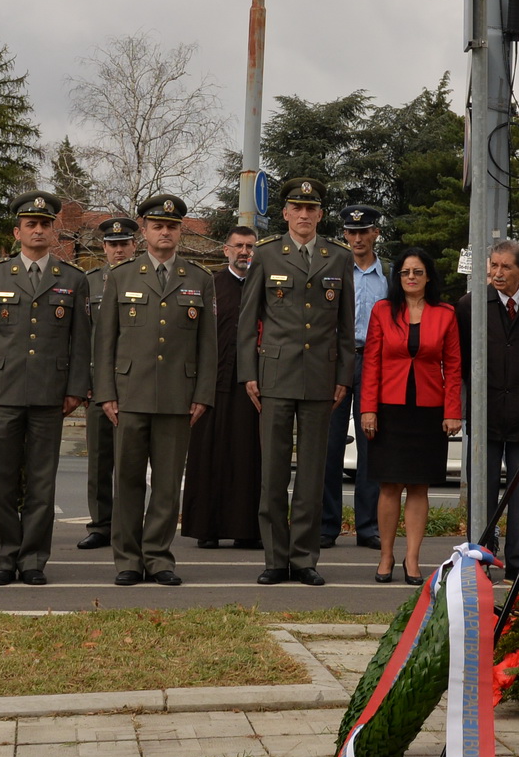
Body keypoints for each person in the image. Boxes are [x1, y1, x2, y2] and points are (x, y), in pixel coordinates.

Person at [89, 194, 215, 588]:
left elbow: (207, 345)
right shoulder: (121, 276)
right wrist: (105, 392)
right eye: (158, 226)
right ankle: (127, 559)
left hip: (178, 395)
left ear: (181, 231)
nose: (165, 232)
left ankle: (159, 557)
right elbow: (104, 342)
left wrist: (202, 394)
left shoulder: (199, 278)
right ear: (143, 231)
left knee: (165, 483)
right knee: (126, 480)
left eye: (172, 226)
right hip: (128, 394)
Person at [0, 191, 90, 588]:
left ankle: (34, 559)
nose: (38, 230)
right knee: (1, 481)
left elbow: (80, 341)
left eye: (45, 224)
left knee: (42, 482)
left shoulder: (72, 279)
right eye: (31, 224)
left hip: (50, 394)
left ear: (54, 231)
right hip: (2, 391)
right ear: (17, 231)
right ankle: (1, 559)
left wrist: (76, 389)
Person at [241, 180, 357, 587]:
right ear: (286, 213)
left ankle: (304, 557)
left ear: (321, 215)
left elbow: (346, 326)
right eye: (297, 207)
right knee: (273, 472)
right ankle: (275, 558)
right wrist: (249, 373)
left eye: (312, 208)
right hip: (273, 375)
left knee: (311, 474)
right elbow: (247, 320)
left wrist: (343, 376)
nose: (304, 215)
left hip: (320, 378)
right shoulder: (268, 253)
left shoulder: (338, 258)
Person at [358, 246, 461, 584]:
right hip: (389, 408)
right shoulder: (383, 311)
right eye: (405, 272)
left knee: (418, 487)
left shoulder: (445, 313)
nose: (411, 278)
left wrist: (452, 411)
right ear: (397, 277)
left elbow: (454, 366)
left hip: (429, 410)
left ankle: (412, 559)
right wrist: (368, 408)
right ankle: (386, 556)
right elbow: (371, 362)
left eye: (417, 272)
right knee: (389, 486)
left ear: (428, 276)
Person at [454, 239, 519, 558]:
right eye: (493, 266)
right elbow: (462, 363)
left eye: (505, 267)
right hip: (486, 416)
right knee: (481, 494)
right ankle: (478, 557)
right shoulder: (471, 305)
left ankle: (516, 561)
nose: (497, 273)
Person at [182, 222, 261, 550]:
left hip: (251, 385)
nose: (244, 252)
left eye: (250, 247)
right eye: (238, 246)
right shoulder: (210, 286)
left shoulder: (265, 285)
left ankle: (246, 529)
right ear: (226, 250)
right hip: (212, 383)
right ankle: (207, 528)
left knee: (248, 456)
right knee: (207, 455)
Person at [322, 203, 388, 549]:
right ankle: (327, 525)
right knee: (330, 446)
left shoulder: (388, 274)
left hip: (374, 363)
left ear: (376, 232)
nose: (357, 238)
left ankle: (368, 527)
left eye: (364, 232)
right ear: (344, 235)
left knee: (370, 446)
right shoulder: (333, 269)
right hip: (335, 361)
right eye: (351, 232)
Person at [75, 214, 139, 551]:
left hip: (135, 384)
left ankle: (129, 525)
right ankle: (100, 524)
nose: (118, 250)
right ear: (103, 247)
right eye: (112, 245)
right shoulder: (90, 282)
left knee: (133, 459)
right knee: (99, 459)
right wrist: (85, 381)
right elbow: (83, 336)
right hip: (100, 384)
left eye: (124, 244)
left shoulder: (145, 279)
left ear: (134, 245)